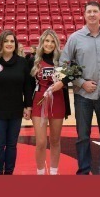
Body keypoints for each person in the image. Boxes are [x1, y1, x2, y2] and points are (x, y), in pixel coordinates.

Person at [60, 1, 100, 175]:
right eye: (89, 12)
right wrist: (80, 82)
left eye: (95, 11)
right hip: (82, 96)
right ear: (84, 15)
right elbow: (64, 64)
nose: (92, 14)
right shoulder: (75, 38)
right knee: (83, 137)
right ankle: (84, 171)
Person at [0, 30, 33, 175]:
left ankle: (9, 173)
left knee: (12, 146)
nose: (9, 44)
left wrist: (28, 106)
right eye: (6, 41)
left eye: (12, 41)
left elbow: (27, 87)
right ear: (1, 43)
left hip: (16, 111)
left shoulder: (22, 62)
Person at [29, 29, 71, 175]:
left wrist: (63, 81)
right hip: (39, 101)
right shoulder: (33, 59)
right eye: (47, 41)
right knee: (40, 142)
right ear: (42, 42)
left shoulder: (61, 60)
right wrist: (27, 105)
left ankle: (53, 172)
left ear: (56, 44)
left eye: (52, 41)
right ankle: (40, 172)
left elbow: (70, 75)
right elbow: (28, 85)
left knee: (55, 140)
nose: (49, 44)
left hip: (58, 100)